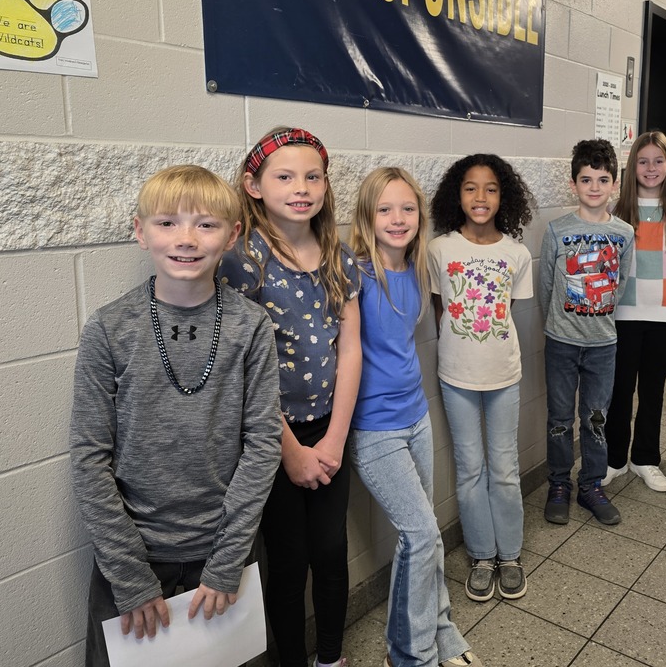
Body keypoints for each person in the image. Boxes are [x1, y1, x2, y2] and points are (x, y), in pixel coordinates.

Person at [71, 165, 282, 666]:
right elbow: (89, 458)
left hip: (228, 553)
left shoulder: (251, 326)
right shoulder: (109, 329)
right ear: (140, 231)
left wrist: (227, 561)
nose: (186, 238)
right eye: (167, 223)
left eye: (205, 224)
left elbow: (263, 444)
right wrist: (129, 576)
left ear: (232, 235)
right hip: (133, 560)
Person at [221, 127, 361, 667]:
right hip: (270, 437)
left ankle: (330, 657)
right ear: (253, 185)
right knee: (287, 558)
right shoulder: (242, 261)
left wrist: (335, 438)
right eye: (285, 176)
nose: (301, 187)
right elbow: (241, 370)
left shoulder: (337, 255)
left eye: (312, 176)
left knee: (330, 550)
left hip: (329, 429)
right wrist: (291, 452)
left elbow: (351, 349)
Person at [348, 167, 483, 667]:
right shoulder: (354, 274)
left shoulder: (418, 269)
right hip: (373, 427)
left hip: (415, 416)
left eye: (407, 208)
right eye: (384, 209)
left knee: (428, 533)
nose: (397, 218)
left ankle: (441, 630)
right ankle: (407, 654)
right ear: (367, 216)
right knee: (421, 535)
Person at [428, 154, 534, 602]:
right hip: (456, 376)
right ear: (457, 195)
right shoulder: (439, 249)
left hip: (503, 374)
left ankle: (509, 554)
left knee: (504, 469)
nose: (480, 197)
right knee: (470, 469)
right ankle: (482, 555)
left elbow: (508, 311)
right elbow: (440, 310)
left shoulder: (517, 253)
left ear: (503, 196)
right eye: (471, 187)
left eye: (491, 188)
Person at [604, 131, 666, 493]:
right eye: (643, 161)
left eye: (658, 161)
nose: (650, 168)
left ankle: (645, 458)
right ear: (632, 166)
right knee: (618, 391)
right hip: (622, 316)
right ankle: (614, 459)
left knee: (653, 391)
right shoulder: (617, 211)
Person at [540, 139, 634, 525]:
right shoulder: (557, 230)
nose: (594, 187)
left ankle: (591, 485)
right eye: (586, 179)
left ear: (615, 184)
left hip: (602, 344)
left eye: (603, 179)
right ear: (573, 184)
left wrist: (597, 315)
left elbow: (619, 286)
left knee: (596, 418)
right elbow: (547, 286)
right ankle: (559, 484)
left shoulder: (624, 233)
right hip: (561, 342)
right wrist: (558, 324)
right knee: (560, 419)